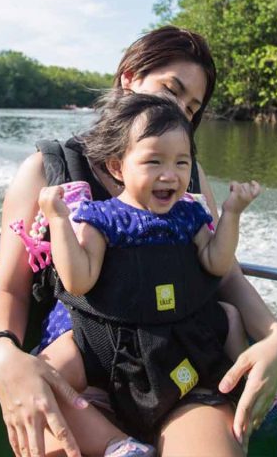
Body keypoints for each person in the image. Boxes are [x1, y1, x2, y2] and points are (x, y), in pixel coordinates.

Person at [0, 26, 277, 457]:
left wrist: (275, 337)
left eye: (192, 107)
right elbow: (9, 289)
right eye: (172, 90)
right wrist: (0, 353)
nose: (179, 111)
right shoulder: (47, 172)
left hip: (179, 364)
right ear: (128, 78)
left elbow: (222, 272)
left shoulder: (189, 179)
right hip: (85, 368)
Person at [35, 93, 262, 456]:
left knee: (230, 318)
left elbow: (216, 263)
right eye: (153, 161)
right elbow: (79, 281)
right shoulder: (101, 218)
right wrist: (59, 220)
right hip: (106, 340)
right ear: (117, 167)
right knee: (40, 379)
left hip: (172, 337)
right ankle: (115, 446)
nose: (170, 174)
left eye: (181, 162)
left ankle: (248, 391)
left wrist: (232, 213)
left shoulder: (189, 214)